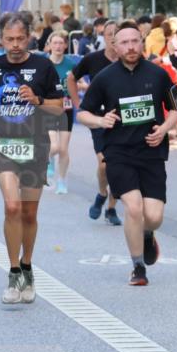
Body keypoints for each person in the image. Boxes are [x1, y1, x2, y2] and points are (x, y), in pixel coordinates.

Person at [0, 11, 64, 304]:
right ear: (2, 39)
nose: (16, 45)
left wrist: (37, 100)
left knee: (29, 213)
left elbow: (59, 107)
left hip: (35, 144)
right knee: (12, 207)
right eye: (9, 39)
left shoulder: (43, 66)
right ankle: (13, 272)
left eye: (21, 38)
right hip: (3, 144)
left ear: (30, 37)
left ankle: (27, 265)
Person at [77, 21, 177, 286]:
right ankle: (138, 267)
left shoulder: (158, 74)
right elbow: (83, 113)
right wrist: (101, 120)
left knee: (154, 217)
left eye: (135, 41)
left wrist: (165, 129)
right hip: (119, 152)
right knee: (134, 208)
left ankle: (147, 234)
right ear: (115, 46)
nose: (131, 47)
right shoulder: (105, 77)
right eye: (124, 42)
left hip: (152, 151)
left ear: (142, 42)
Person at [67, 20, 123, 226]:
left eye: (117, 33)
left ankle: (111, 208)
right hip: (98, 118)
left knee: (119, 164)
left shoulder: (129, 59)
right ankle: (102, 193)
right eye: (109, 34)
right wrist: (78, 104)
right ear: (104, 37)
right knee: (105, 163)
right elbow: (71, 78)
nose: (113, 37)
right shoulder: (92, 59)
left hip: (123, 120)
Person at [44, 31, 80, 193]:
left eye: (61, 43)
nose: (58, 46)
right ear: (49, 45)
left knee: (64, 149)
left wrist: (83, 87)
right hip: (49, 108)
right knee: (55, 146)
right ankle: (49, 158)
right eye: (55, 43)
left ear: (65, 45)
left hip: (66, 109)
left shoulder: (71, 64)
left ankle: (61, 181)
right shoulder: (43, 64)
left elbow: (79, 82)